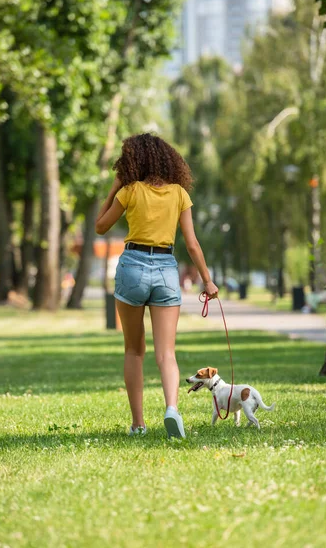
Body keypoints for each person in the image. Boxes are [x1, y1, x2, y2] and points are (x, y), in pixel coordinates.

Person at [95, 133, 218, 438]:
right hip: (165, 270)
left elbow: (100, 227)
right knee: (167, 354)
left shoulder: (131, 191)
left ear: (134, 161)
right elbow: (191, 243)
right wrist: (207, 280)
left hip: (133, 267)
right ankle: (172, 409)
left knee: (134, 350)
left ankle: (138, 424)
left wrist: (114, 188)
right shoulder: (179, 193)